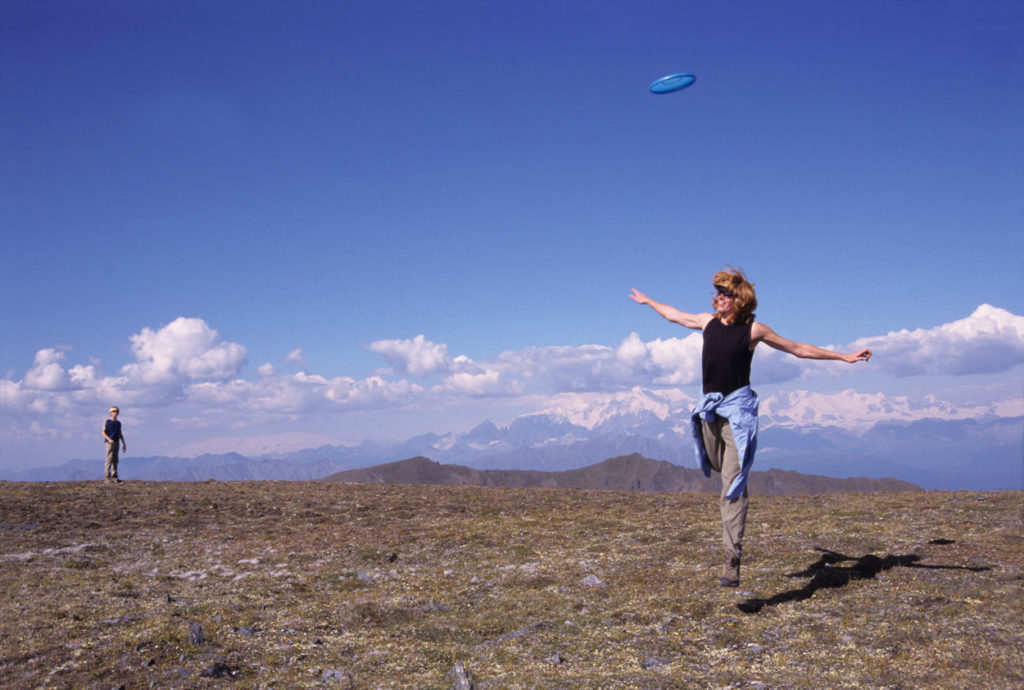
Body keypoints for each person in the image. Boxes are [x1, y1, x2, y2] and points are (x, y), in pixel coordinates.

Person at [630, 268, 871, 587]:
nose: (718, 297)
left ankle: (732, 559)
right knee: (715, 464)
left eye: (725, 293)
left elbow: (797, 349)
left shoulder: (754, 331)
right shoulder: (707, 323)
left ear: (739, 300)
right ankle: (731, 489)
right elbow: (675, 316)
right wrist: (649, 301)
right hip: (711, 412)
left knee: (732, 486)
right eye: (716, 292)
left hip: (739, 415)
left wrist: (843, 357)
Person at [102, 406, 126, 483]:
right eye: (113, 411)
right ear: (110, 413)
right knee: (109, 458)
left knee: (115, 459)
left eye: (116, 411)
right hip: (109, 443)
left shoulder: (118, 423)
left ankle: (114, 475)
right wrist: (109, 439)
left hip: (116, 442)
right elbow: (103, 432)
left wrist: (123, 443)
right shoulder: (107, 422)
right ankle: (107, 476)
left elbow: (120, 433)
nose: (115, 413)